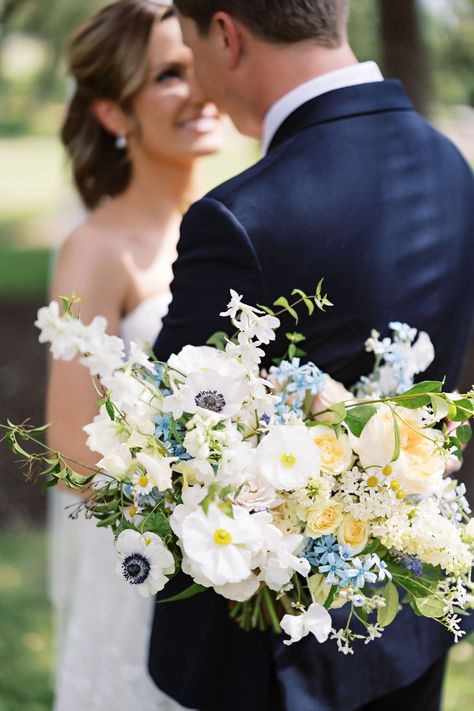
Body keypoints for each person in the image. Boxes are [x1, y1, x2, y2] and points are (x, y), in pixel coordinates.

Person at [149, 1, 474, 710]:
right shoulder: (450, 164)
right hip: (411, 616)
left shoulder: (242, 217)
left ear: (227, 36)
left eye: (192, 47)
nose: (198, 81)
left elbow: (167, 436)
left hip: (271, 654)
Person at [46, 2, 222, 709]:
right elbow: (66, 448)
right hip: (148, 564)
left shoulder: (226, 221)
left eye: (197, 63)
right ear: (114, 114)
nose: (200, 88)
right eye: (168, 76)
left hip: (233, 557)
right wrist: (201, 507)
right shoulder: (96, 251)